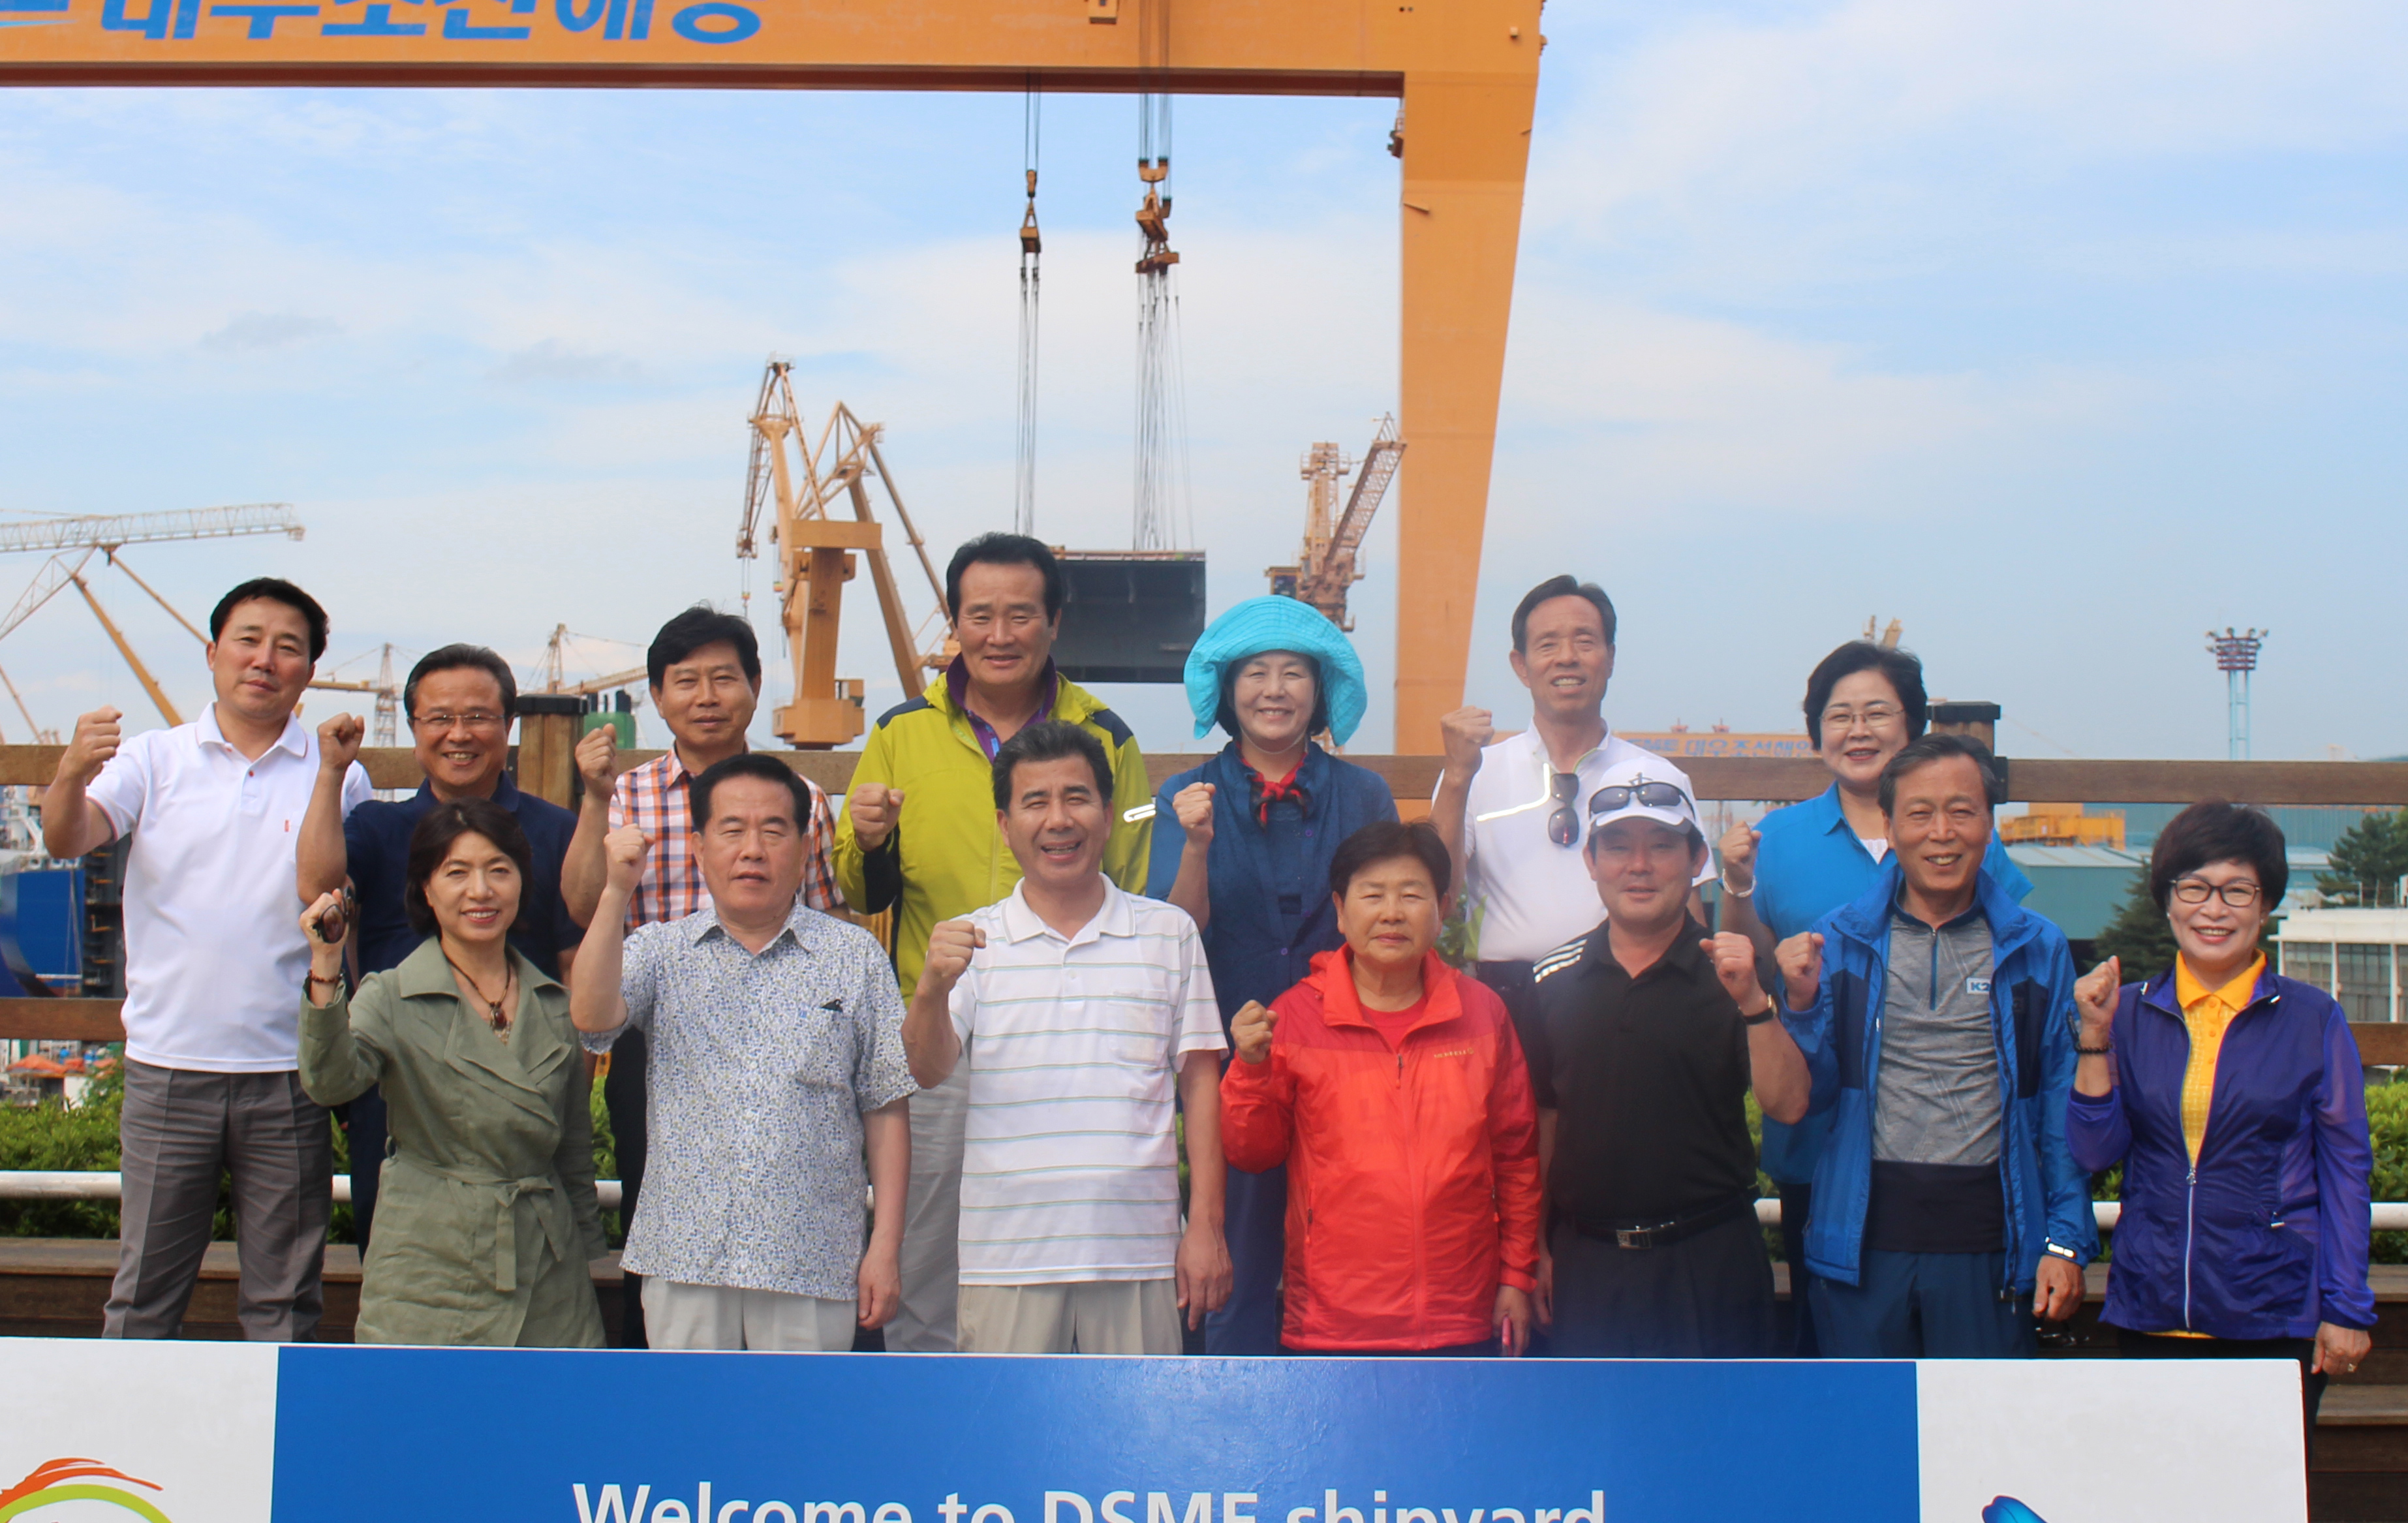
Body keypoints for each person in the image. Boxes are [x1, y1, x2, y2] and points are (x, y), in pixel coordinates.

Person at [837, 533, 1151, 1353]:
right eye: (980, 616)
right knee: (927, 1248)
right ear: (955, 623)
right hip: (937, 1034)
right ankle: (935, 1418)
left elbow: (1131, 877)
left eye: (1021, 615)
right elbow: (857, 891)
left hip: (1067, 1034)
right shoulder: (900, 732)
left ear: (1055, 621)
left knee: (1062, 1246)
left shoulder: (1107, 734)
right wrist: (866, 840)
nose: (1000, 635)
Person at [40, 577, 371, 1340]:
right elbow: (67, 838)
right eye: (249, 640)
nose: (265, 660)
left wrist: (329, 774)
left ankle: (273, 1423)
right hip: (168, 1065)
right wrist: (70, 771)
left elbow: (331, 893)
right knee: (143, 1297)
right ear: (213, 652)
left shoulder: (339, 772)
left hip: (290, 1071)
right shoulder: (154, 759)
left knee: (284, 1304)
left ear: (310, 670)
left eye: (288, 647)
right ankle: (126, 1420)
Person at [1714, 640, 2035, 1352]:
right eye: (1839, 716)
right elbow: (1751, 970)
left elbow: (2016, 957)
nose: (1858, 731)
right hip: (1823, 1137)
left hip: (1952, 1154)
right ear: (1816, 731)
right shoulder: (1777, 837)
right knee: (1840, 1353)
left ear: (1912, 724)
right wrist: (1737, 886)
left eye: (1877, 713)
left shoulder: (1961, 834)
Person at [570, 754, 912, 1352]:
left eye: (773, 831)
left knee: (803, 1414)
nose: (752, 850)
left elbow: (885, 1108)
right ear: (700, 849)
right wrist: (616, 890)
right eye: (732, 830)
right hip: (685, 1258)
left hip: (813, 1260)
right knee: (689, 1412)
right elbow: (592, 1018)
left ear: (804, 850)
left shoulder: (855, 958)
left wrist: (884, 1245)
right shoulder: (662, 950)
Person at [902, 720, 1224, 1355]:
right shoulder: (974, 939)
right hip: (1005, 1257)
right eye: (1035, 802)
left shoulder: (1169, 933)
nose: (1058, 820)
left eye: (1077, 798)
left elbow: (1202, 1085)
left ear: (1107, 815)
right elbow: (927, 1069)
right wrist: (932, 989)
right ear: (1004, 825)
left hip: (1139, 1252)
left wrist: (1206, 1227)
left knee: (1136, 1422)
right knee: (1004, 1422)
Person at [2066, 801, 2372, 1446]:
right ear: (2167, 900)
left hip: (2274, 1309)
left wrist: (2346, 1306)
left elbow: (2347, 1169)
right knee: (2158, 1489)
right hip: (2151, 1306)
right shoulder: (2125, 1013)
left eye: (2238, 890)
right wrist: (2094, 1035)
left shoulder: (2313, 1018)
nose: (2214, 909)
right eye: (2194, 888)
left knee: (2265, 1491)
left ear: (2266, 906)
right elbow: (2094, 1151)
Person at [1779, 733, 2093, 1358]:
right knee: (1867, 1416)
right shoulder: (1836, 941)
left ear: (1989, 825)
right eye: (1920, 813)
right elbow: (1809, 1097)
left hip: (1993, 1246)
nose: (1942, 833)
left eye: (1962, 811)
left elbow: (2061, 1105)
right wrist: (1800, 1004)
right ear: (1889, 826)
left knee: (1981, 1421)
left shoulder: (2038, 948)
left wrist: (2065, 1241)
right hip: (1862, 1245)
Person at [295, 643, 612, 1250]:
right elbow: (316, 889)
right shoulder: (378, 826)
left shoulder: (555, 829)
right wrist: (331, 772)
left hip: (522, 1084)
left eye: (478, 717)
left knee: (541, 1251)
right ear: (414, 729)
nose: (459, 734)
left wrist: (571, 1080)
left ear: (508, 725)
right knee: (396, 1254)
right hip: (397, 1086)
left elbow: (576, 947)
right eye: (439, 718)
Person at [1144, 595, 1397, 1355]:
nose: (1275, 690)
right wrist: (1196, 844)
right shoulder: (1183, 795)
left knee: (1355, 1255)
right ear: (1227, 690)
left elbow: (1393, 922)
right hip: (1231, 1065)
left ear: (1321, 690)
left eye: (1294, 673)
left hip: (1347, 1059)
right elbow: (1177, 932)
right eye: (1256, 673)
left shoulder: (1366, 795)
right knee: (1235, 1264)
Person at [597, 604, 844, 1346]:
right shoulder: (627, 795)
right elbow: (588, 908)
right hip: (659, 1035)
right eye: (686, 681)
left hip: (785, 1038)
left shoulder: (803, 799)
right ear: (657, 695)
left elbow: (827, 917)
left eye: (724, 678)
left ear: (756, 687)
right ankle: (661, 1362)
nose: (707, 697)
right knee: (654, 1201)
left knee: (792, 1192)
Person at [1220, 820, 1541, 1357]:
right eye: (1373, 896)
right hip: (1332, 1321)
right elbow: (1252, 1153)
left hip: (1462, 1314)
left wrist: (1516, 1276)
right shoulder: (1294, 1018)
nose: (1392, 913)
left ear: (1441, 908)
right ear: (1341, 910)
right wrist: (1250, 1070)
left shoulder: (1483, 1013)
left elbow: (1517, 1158)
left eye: (1411, 895)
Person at [296, 799, 607, 1347]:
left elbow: (572, 1151)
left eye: (499, 871)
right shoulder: (391, 995)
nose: (480, 891)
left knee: (556, 1399)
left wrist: (584, 1254)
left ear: (522, 883)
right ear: (425, 889)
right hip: (429, 1260)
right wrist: (326, 965)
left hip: (547, 1268)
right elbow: (330, 1083)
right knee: (423, 1400)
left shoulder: (556, 1004)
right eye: (457, 873)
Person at [1526, 763, 1810, 1357]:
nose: (1639, 865)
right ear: (1590, 861)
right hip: (1587, 1265)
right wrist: (1539, 1249)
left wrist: (1754, 1004)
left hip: (1712, 1263)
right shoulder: (1551, 980)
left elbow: (1787, 1105)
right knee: (1595, 1419)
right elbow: (1545, 1123)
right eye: (1617, 847)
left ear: (1697, 858)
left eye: (1661, 846)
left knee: (1720, 1419)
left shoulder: (1732, 975)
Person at [1430, 575, 1708, 1057]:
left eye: (1585, 641)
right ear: (1520, 665)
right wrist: (1456, 777)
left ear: (1611, 657)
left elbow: (1689, 909)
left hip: (1630, 992)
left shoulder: (1658, 775)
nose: (1567, 658)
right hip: (1505, 999)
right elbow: (1439, 900)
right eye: (1547, 644)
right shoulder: (1476, 770)